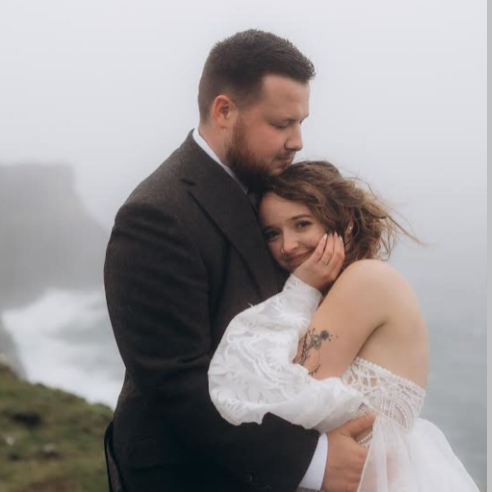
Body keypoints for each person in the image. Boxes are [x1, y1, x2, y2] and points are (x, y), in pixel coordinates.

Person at [104, 30, 373, 492]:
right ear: (224, 111)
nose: (298, 141)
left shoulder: (268, 185)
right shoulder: (156, 214)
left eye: (301, 122)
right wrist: (313, 461)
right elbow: (177, 383)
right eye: (281, 123)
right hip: (187, 474)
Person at [208, 161, 480, 491]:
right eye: (272, 234)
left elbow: (276, 395)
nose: (288, 245)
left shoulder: (364, 280)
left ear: (344, 222)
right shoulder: (339, 293)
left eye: (302, 224)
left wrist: (300, 289)